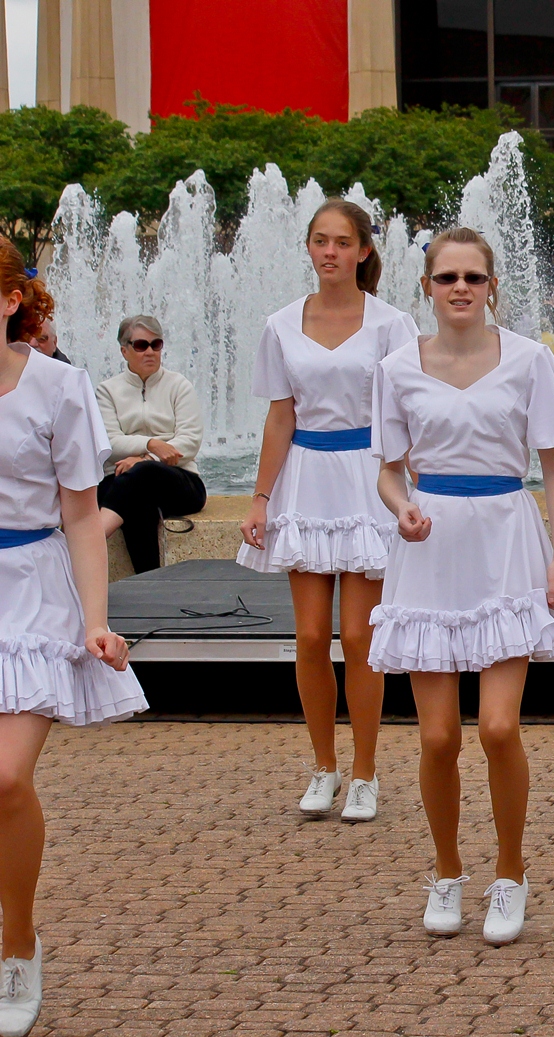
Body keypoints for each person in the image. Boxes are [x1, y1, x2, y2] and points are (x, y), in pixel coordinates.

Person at [370, 227, 554, 945]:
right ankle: (446, 870)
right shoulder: (396, 367)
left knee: (498, 727)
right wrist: (400, 506)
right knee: (438, 737)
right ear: (427, 288)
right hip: (431, 547)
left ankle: (510, 871)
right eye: (447, 278)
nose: (460, 288)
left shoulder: (530, 360)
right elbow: (388, 468)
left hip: (506, 541)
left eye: (473, 277)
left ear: (492, 286)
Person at [0, 235, 145, 1037]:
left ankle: (18, 943)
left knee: (5, 778)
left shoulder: (59, 386)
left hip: (30, 590)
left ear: (11, 299)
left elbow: (83, 517)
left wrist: (96, 618)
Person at [237, 199, 419, 823]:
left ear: (364, 250)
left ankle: (365, 771)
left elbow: (408, 411)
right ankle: (324, 765)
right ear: (309, 248)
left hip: (369, 480)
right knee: (312, 636)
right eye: (320, 241)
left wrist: (415, 487)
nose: (331, 252)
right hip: (306, 482)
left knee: (360, 636)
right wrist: (260, 498)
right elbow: (280, 416)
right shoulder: (280, 324)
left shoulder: (392, 323)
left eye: (343, 242)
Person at [94, 316, 206, 573]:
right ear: (124, 351)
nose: (150, 351)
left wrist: (145, 460)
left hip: (178, 481)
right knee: (138, 500)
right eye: (141, 345)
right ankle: (151, 580)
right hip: (121, 480)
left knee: (140, 477)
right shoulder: (107, 390)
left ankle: (93, 537)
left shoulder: (179, 386)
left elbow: (189, 441)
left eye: (156, 344)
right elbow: (109, 442)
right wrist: (151, 444)